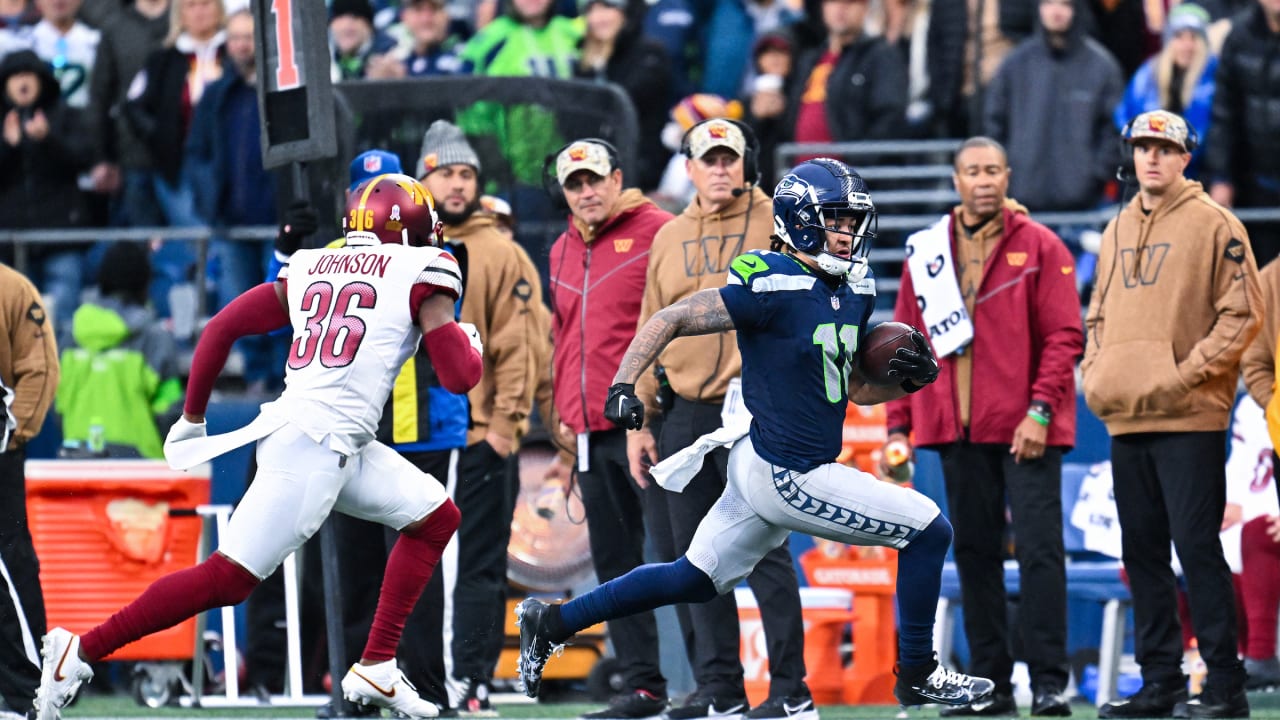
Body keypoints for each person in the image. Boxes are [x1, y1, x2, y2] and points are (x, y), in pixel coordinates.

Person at [519, 158, 997, 713]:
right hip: (788, 471)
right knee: (929, 530)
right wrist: (625, 382)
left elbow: (852, 390)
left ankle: (551, 622)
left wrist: (908, 382)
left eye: (851, 221)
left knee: (692, 578)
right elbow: (670, 318)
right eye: (835, 220)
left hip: (762, 462)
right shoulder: (771, 283)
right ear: (801, 222)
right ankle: (917, 672)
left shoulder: (854, 287)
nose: (847, 232)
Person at [33, 173, 483, 720]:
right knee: (226, 579)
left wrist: (193, 417)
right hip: (316, 450)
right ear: (411, 228)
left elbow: (220, 328)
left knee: (435, 516)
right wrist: (471, 343)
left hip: (330, 439)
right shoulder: (422, 269)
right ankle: (79, 652)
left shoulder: (314, 263)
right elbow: (459, 377)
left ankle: (377, 665)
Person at [885, 136, 1081, 718]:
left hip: (1027, 429)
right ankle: (991, 686)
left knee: (1041, 554)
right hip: (956, 430)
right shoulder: (927, 252)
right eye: (973, 171)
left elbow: (1065, 335)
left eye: (993, 170)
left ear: (1008, 176)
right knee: (974, 555)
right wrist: (898, 425)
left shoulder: (1041, 245)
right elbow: (903, 344)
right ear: (956, 181)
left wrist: (1040, 411)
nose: (984, 180)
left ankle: (1049, 684)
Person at [629, 118, 812, 720]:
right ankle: (720, 691)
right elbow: (651, 325)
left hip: (757, 408)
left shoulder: (776, 219)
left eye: (730, 158)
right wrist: (642, 419)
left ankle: (790, 691)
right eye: (708, 159)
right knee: (695, 558)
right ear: (689, 168)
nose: (720, 168)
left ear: (747, 163)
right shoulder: (669, 235)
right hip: (685, 410)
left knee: (766, 552)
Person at [1082, 110, 1261, 720]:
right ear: (1130, 156)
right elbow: (1097, 314)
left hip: (1190, 417)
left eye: (1165, 148)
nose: (1152, 158)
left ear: (1186, 158)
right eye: (1142, 148)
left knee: (1197, 548)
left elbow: (1244, 313)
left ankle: (1225, 688)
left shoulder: (1216, 223)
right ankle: (1160, 682)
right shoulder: (1115, 228)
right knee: (1141, 553)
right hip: (1127, 414)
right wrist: (1096, 372)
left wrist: (1186, 373)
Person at [417, 119, 548, 714]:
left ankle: (470, 680)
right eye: (446, 172)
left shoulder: (500, 252)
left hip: (477, 437)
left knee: (478, 565)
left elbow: (520, 349)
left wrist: (503, 428)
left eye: (466, 174)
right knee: (420, 567)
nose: (458, 184)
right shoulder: (408, 250)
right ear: (422, 180)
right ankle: (417, 677)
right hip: (416, 438)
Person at [544, 138, 675, 720]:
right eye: (574, 184)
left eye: (594, 179)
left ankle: (715, 686)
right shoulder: (560, 248)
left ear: (618, 178)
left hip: (649, 423)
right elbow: (562, 337)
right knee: (616, 567)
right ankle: (642, 686)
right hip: (589, 431)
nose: (586, 191)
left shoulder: (660, 231)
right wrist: (564, 420)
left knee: (682, 557)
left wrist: (654, 402)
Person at [983, 0, 1123, 214]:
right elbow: (994, 126)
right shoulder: (1015, 65)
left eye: (1064, 4)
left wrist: (1096, 175)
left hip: (1083, 206)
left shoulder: (1102, 67)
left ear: (1076, 9)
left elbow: (1114, 129)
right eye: (1049, 3)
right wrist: (1009, 173)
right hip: (1024, 201)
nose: (1056, 11)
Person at [56, 241, 182, 459]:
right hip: (142, 466)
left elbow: (59, 406)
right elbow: (169, 414)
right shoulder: (156, 339)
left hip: (76, 460)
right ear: (145, 285)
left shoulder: (70, 337)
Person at [0, 262, 58, 720]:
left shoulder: (11, 288)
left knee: (8, 560)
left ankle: (30, 691)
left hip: (1, 445)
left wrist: (12, 432)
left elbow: (39, 367)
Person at [1205, 0, 1280, 265]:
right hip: (1255, 185)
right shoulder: (1239, 35)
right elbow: (1225, 113)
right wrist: (1221, 177)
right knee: (1259, 276)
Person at [1112, 3, 1218, 179]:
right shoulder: (1147, 76)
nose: (1187, 45)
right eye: (1179, 37)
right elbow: (1126, 118)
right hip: (1150, 175)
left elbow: (1215, 135)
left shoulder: (1215, 78)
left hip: (1198, 176)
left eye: (1194, 38)